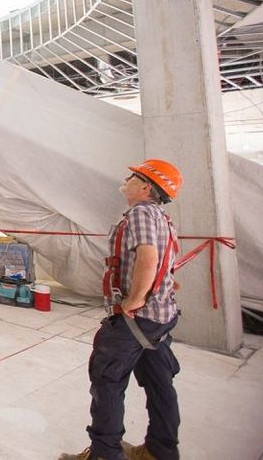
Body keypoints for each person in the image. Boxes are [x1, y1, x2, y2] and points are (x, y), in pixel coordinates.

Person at [61, 159, 183, 460]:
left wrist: (134, 298)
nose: (125, 179)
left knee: (107, 381)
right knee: (159, 384)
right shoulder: (161, 217)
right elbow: (163, 262)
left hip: (136, 319)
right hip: (160, 318)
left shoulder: (141, 213)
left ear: (145, 187)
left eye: (132, 176)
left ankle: (104, 454)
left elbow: (148, 257)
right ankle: (160, 450)